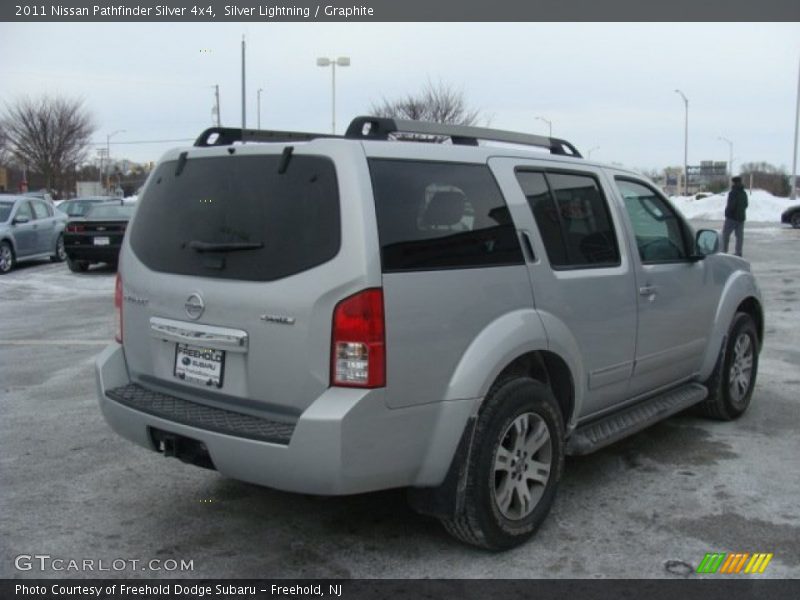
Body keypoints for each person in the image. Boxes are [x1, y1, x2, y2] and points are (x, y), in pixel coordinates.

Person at [722, 176, 748, 257]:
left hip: (732, 218)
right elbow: (746, 204)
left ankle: (724, 251)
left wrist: (727, 213)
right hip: (741, 218)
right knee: (739, 236)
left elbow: (731, 205)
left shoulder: (733, 193)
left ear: (734, 183)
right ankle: (738, 252)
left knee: (725, 235)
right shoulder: (744, 193)